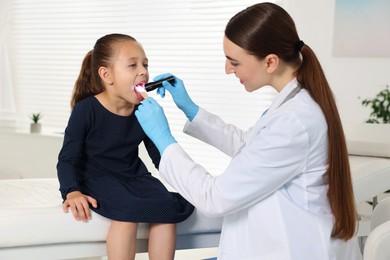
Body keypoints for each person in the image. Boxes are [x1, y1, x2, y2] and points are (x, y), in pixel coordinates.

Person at [135, 3, 362, 260]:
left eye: (234, 62)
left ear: (270, 62)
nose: (227, 69)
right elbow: (251, 146)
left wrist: (164, 142)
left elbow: (214, 198)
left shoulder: (294, 121)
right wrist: (192, 111)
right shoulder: (293, 105)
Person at [57, 33, 194, 260]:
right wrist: (72, 190)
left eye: (145, 65)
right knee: (128, 210)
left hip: (134, 176)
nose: (143, 71)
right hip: (97, 177)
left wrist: (190, 182)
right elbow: (68, 157)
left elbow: (161, 156)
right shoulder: (86, 110)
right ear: (106, 75)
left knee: (168, 207)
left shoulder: (143, 110)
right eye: (132, 65)